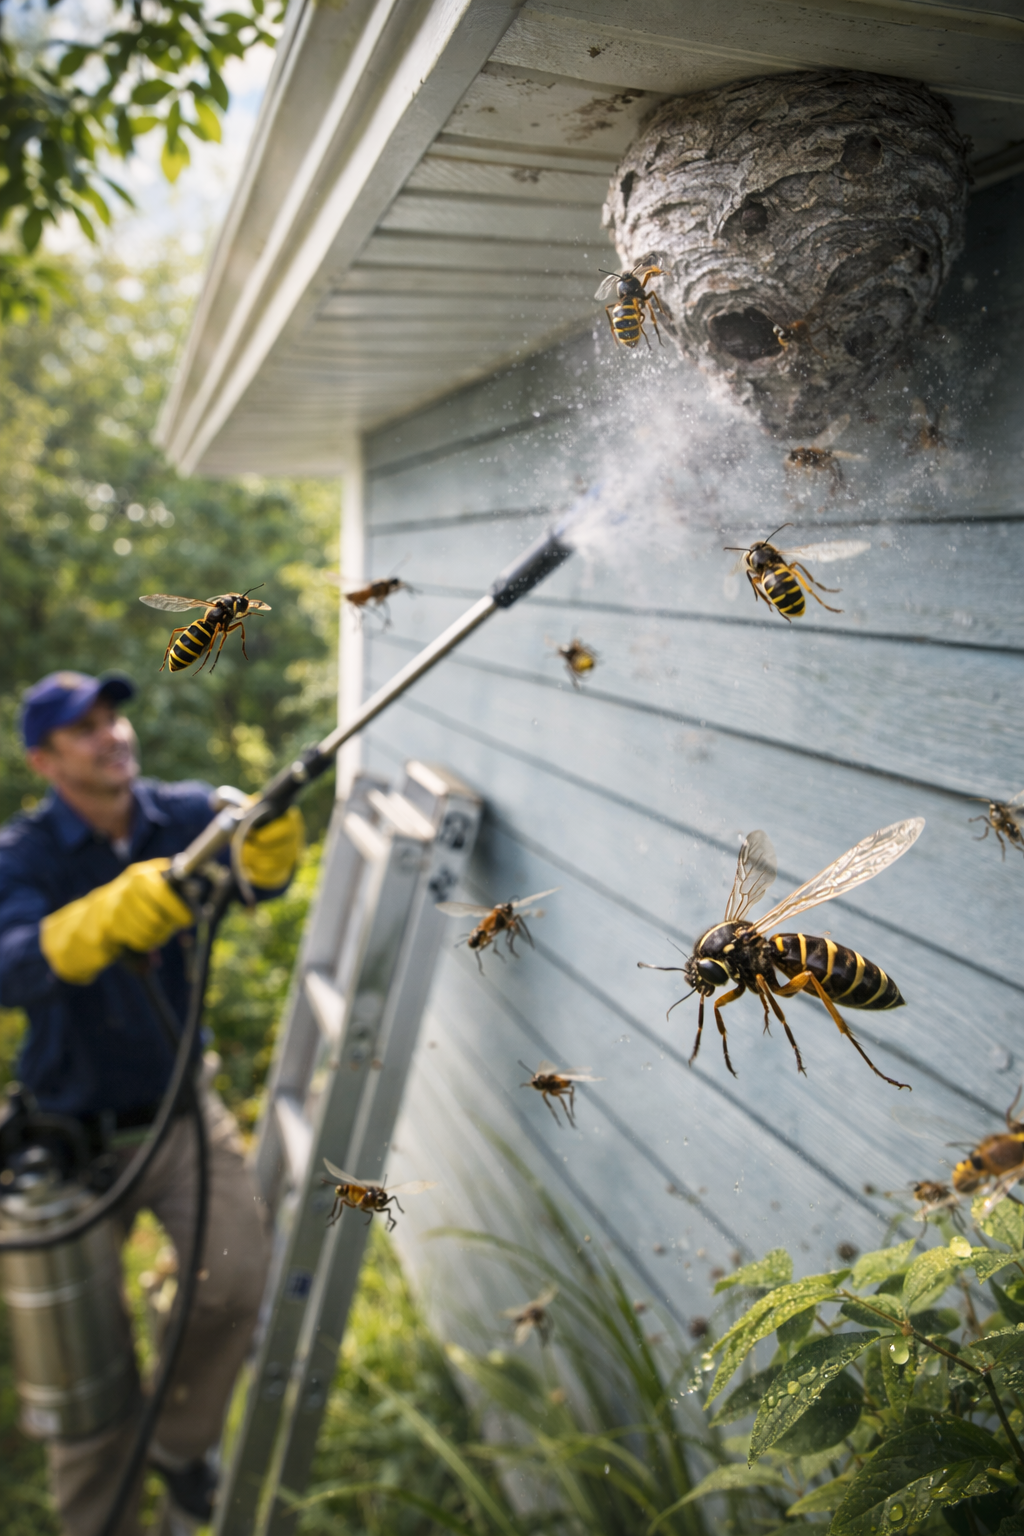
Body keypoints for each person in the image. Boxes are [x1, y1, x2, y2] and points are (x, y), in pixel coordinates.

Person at [0, 671, 304, 1536]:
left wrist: (268, 850)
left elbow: (249, 876)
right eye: (84, 729)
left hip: (179, 1118)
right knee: (87, 1385)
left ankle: (177, 1449)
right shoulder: (24, 855)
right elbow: (8, 963)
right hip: (70, 1143)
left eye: (114, 717)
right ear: (44, 761)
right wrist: (99, 921)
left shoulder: (176, 816)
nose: (113, 735)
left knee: (233, 1287)